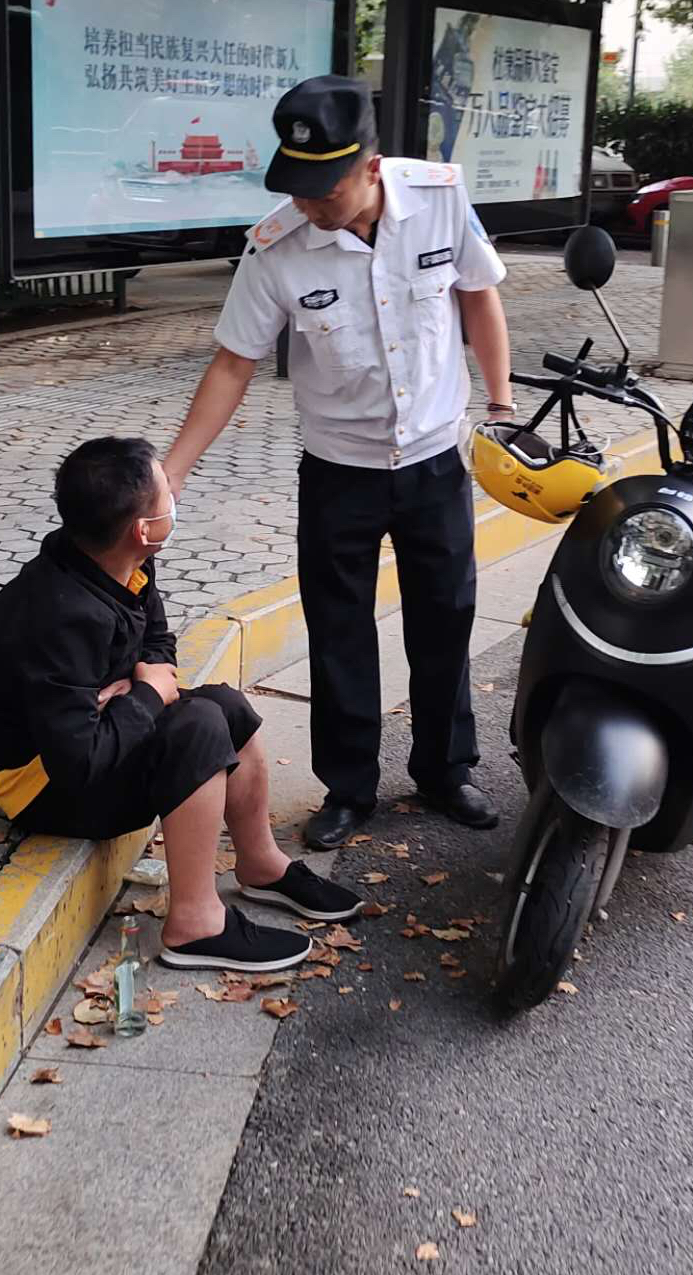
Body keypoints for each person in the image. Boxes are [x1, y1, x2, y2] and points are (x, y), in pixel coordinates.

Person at [163, 74, 513, 850]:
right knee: (340, 630)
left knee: (446, 617)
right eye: (301, 186)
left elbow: (479, 295)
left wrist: (500, 404)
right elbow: (232, 364)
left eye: (329, 187)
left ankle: (446, 768)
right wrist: (175, 467)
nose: (314, 203)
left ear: (373, 164)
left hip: (432, 460)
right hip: (338, 471)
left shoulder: (441, 197)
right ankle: (350, 786)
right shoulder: (276, 247)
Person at [0, 435, 361, 972]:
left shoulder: (121, 562)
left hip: (86, 740)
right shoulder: (60, 614)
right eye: (167, 493)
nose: (175, 497)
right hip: (41, 786)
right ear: (143, 529)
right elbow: (78, 765)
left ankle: (260, 864)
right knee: (196, 728)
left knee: (225, 705)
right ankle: (195, 924)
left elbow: (158, 644)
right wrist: (146, 692)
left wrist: (135, 684)